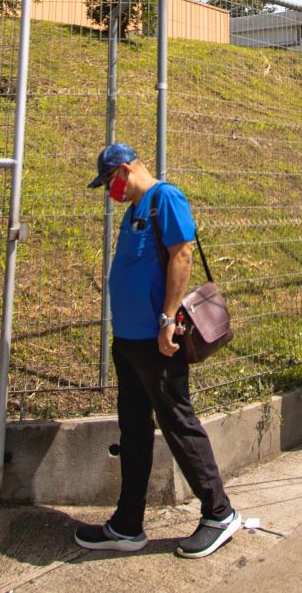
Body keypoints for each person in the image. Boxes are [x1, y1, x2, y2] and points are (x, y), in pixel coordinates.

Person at [74, 144, 240, 560]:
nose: (109, 192)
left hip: (156, 339)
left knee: (178, 421)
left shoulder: (165, 197)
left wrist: (168, 320)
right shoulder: (135, 207)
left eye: (110, 182)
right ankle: (128, 524)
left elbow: (182, 254)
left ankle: (220, 513)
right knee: (133, 430)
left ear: (124, 170)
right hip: (129, 341)